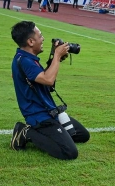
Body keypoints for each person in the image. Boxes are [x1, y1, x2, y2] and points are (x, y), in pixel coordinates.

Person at [10, 21, 90, 160]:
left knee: (82, 135)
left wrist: (54, 58)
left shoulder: (27, 58)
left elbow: (44, 83)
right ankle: (25, 132)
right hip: (39, 116)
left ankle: (52, 133)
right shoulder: (25, 61)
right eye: (40, 36)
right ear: (30, 41)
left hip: (49, 110)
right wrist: (57, 56)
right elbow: (48, 80)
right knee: (69, 152)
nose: (43, 39)